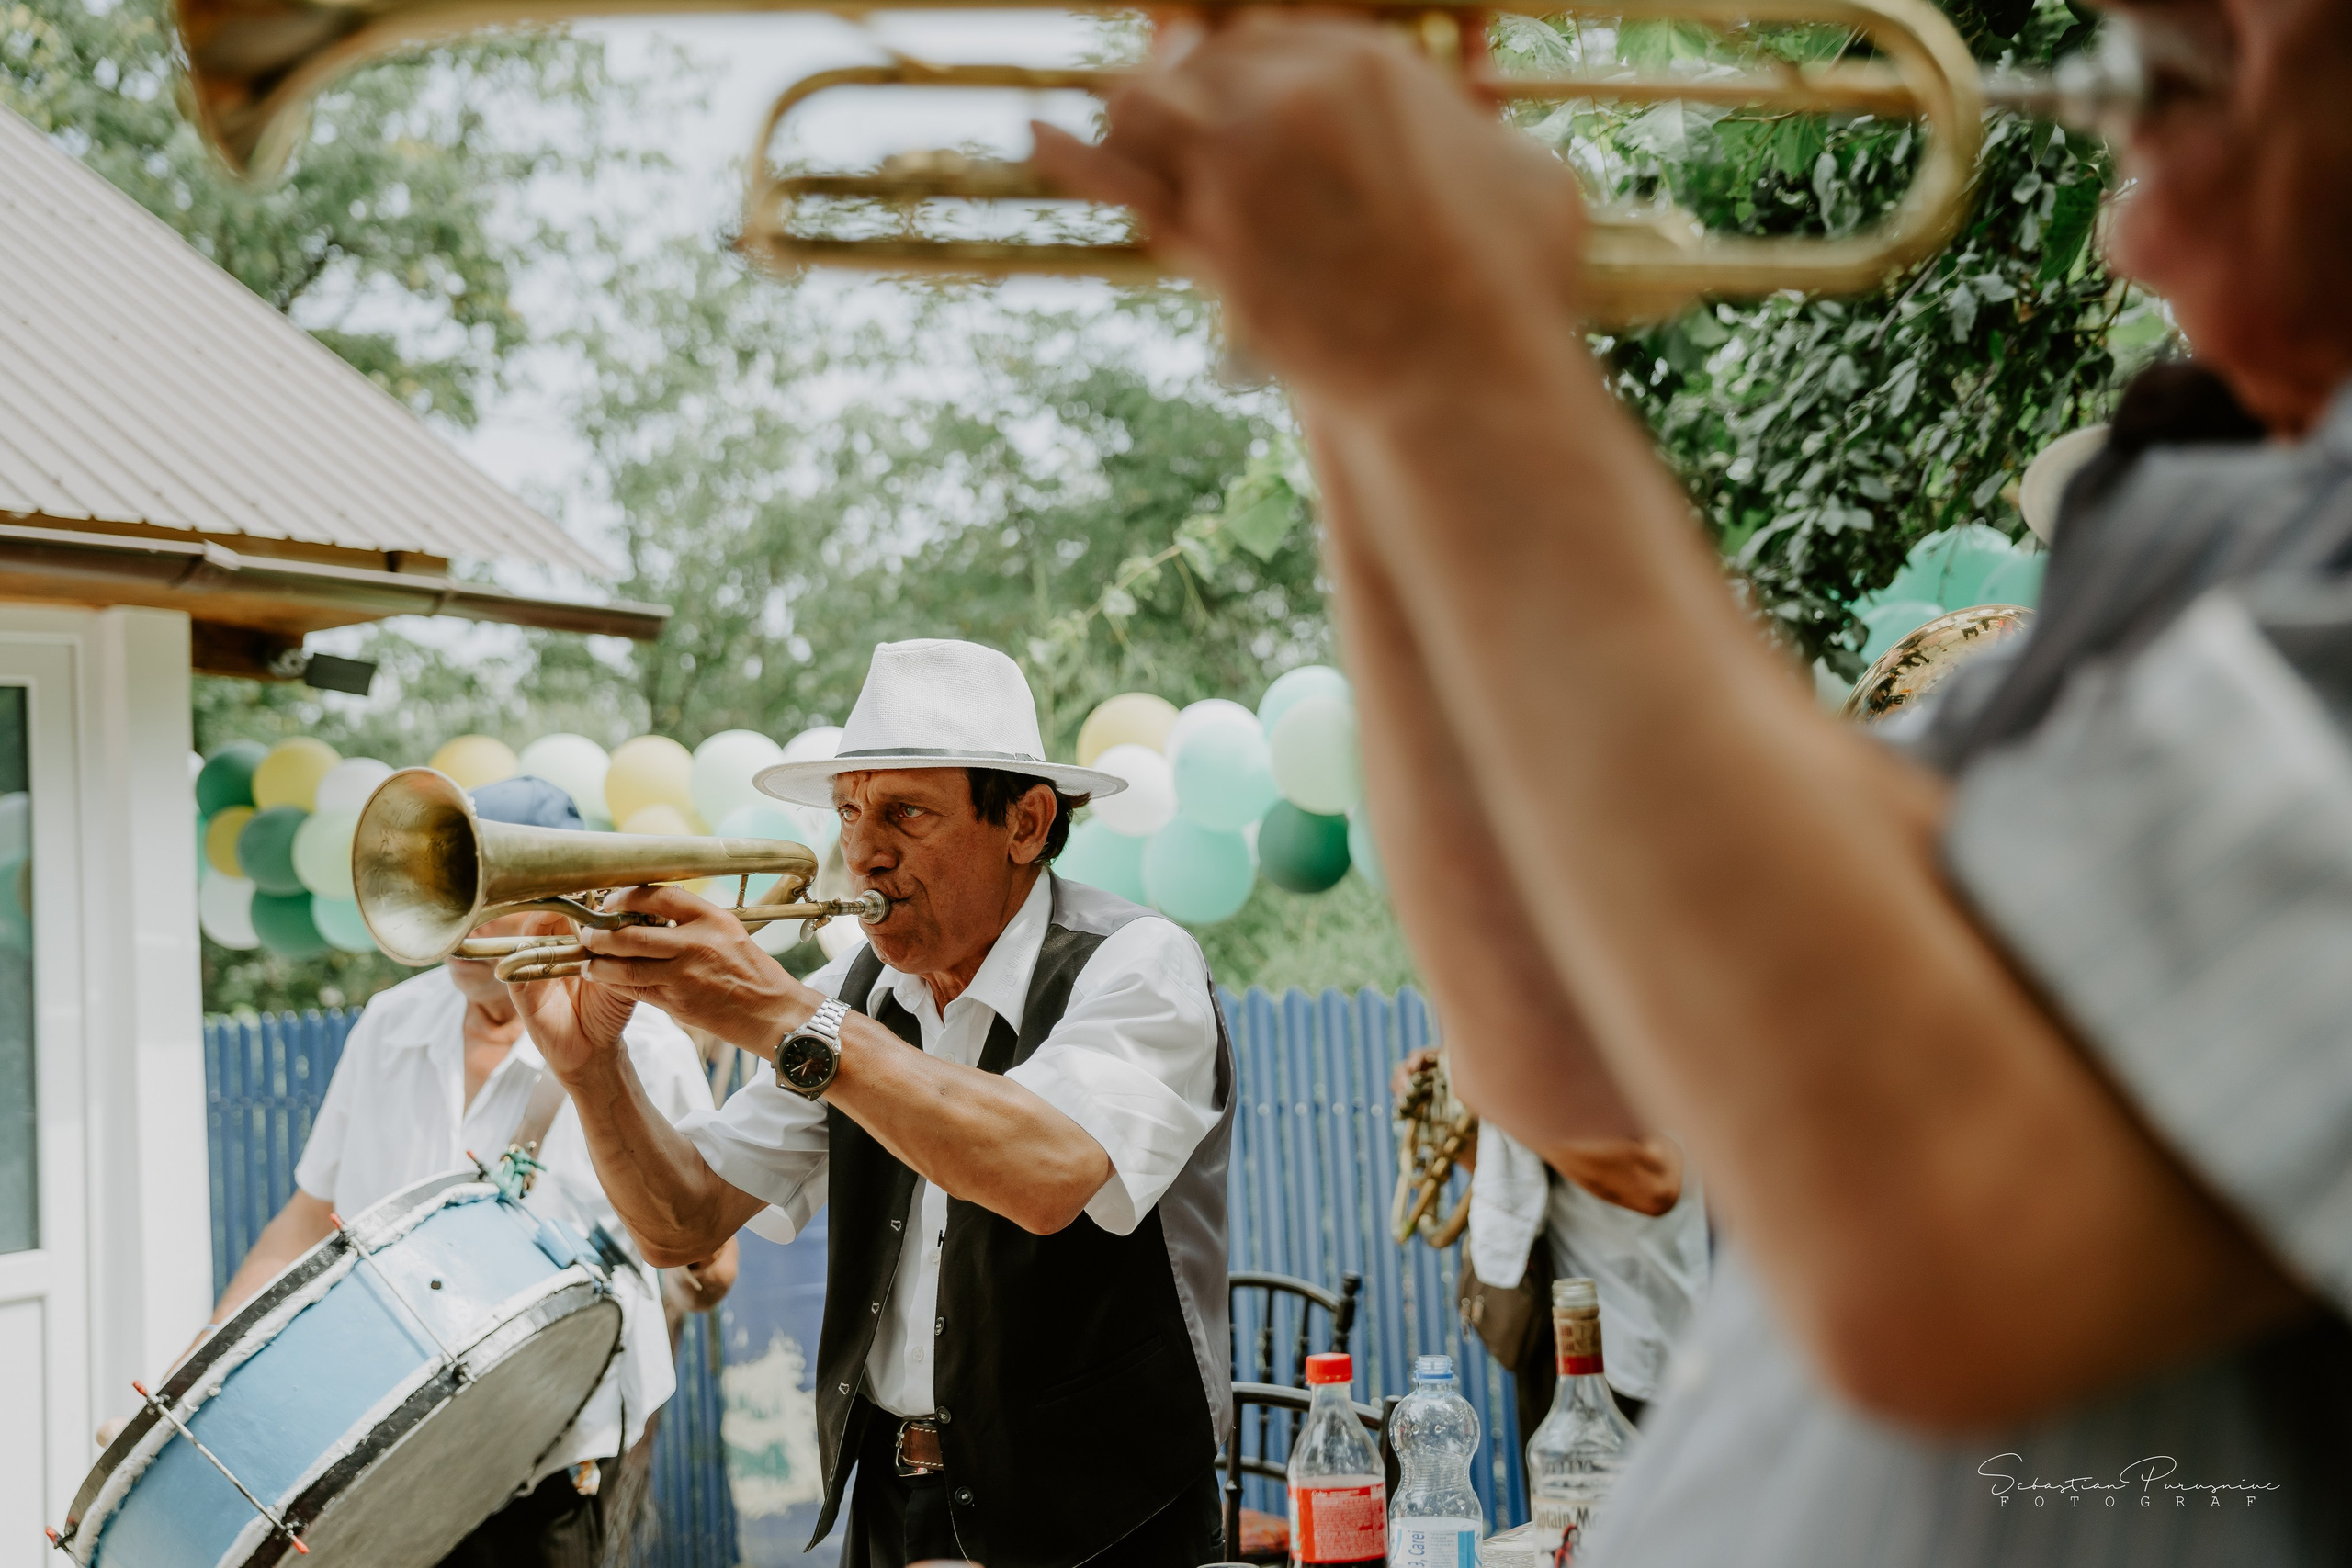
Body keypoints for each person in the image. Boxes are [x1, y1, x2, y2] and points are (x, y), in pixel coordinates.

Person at [1028, 0, 2352, 1562]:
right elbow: (1565, 1038)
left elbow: (1940, 1242)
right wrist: (1349, 354)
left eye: (2216, 26)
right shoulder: (2210, 528)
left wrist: (1452, 340)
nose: (2142, 37)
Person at [509, 637, 1235, 1568]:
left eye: (905, 813)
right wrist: (588, 1069)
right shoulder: (852, 997)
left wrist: (778, 1012)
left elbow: (1047, 1172)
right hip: (893, 1510)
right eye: (849, 812)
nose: (861, 851)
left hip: (1106, 1524)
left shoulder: (1136, 962)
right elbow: (681, 1223)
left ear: (1025, 823)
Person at [201, 777, 736, 1568]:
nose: (457, 921)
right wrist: (209, 1373)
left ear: (563, 905)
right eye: (448, 889)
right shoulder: (388, 1024)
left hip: (554, 1463)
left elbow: (712, 1270)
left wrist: (682, 1253)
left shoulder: (649, 1047)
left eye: (488, 893)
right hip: (387, 1450)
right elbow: (308, 1216)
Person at [1391, 1048, 1703, 1429]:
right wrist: (1462, 1116)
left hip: (1632, 1339)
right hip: (1547, 1331)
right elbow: (1520, 1186)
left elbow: (1655, 1182)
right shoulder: (1530, 1049)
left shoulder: (1624, 1017)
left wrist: (1498, 1098)